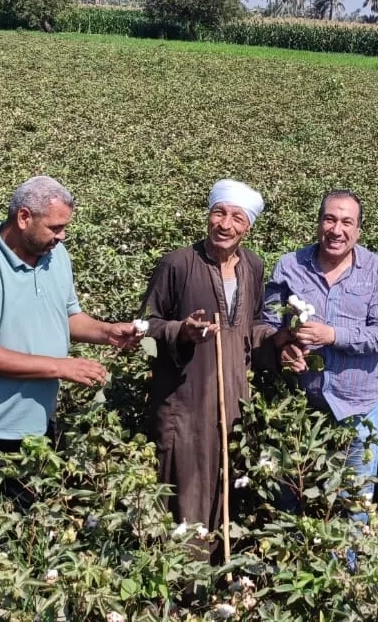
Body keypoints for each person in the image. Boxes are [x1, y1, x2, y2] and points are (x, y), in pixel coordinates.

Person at [0, 175, 143, 535]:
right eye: (56, 227)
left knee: (27, 534)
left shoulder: (55, 256)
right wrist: (60, 368)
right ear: (23, 218)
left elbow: (68, 318)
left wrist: (107, 331)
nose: (62, 236)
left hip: (36, 428)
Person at [137, 179, 282, 552]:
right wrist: (180, 331)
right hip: (184, 403)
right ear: (208, 216)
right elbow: (144, 327)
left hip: (232, 401)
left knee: (226, 484)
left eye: (237, 218)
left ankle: (218, 578)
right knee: (182, 490)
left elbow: (250, 330)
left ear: (247, 227)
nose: (225, 224)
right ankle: (177, 581)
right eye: (219, 213)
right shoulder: (177, 264)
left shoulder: (253, 265)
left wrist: (284, 340)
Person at [263, 190, 378, 514]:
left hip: (355, 409)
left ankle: (349, 565)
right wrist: (283, 345)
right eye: (330, 219)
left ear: (358, 231)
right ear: (318, 223)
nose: (337, 230)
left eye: (346, 222)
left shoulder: (377, 271)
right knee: (291, 498)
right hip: (300, 407)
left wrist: (332, 335)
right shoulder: (289, 267)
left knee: (353, 503)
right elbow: (267, 322)